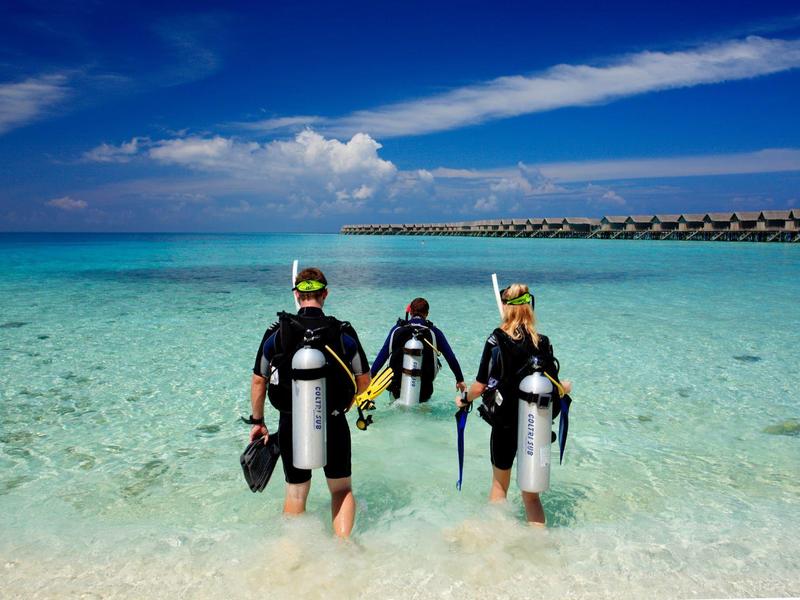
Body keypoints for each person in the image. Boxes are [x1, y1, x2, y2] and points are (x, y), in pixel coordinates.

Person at [247, 267, 370, 538]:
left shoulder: (276, 334)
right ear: (325, 294)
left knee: (296, 491)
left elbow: (259, 381)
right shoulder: (342, 332)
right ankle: (344, 548)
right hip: (334, 421)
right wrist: (350, 401)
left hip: (292, 423)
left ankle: (293, 556)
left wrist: (258, 422)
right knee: (341, 490)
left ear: (297, 295)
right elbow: (364, 380)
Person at [455, 283, 572, 525]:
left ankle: (498, 551)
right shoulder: (543, 342)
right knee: (531, 496)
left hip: (506, 423)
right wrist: (567, 387)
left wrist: (463, 399)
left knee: (500, 486)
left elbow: (479, 386)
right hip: (536, 424)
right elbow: (557, 386)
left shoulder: (496, 339)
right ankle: (541, 547)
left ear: (506, 308)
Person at [371, 297, 466, 402]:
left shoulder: (397, 329)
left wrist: (370, 377)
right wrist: (460, 379)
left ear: (410, 311)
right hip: (424, 391)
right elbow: (451, 357)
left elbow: (383, 355)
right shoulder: (434, 332)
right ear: (427, 314)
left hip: (396, 389)